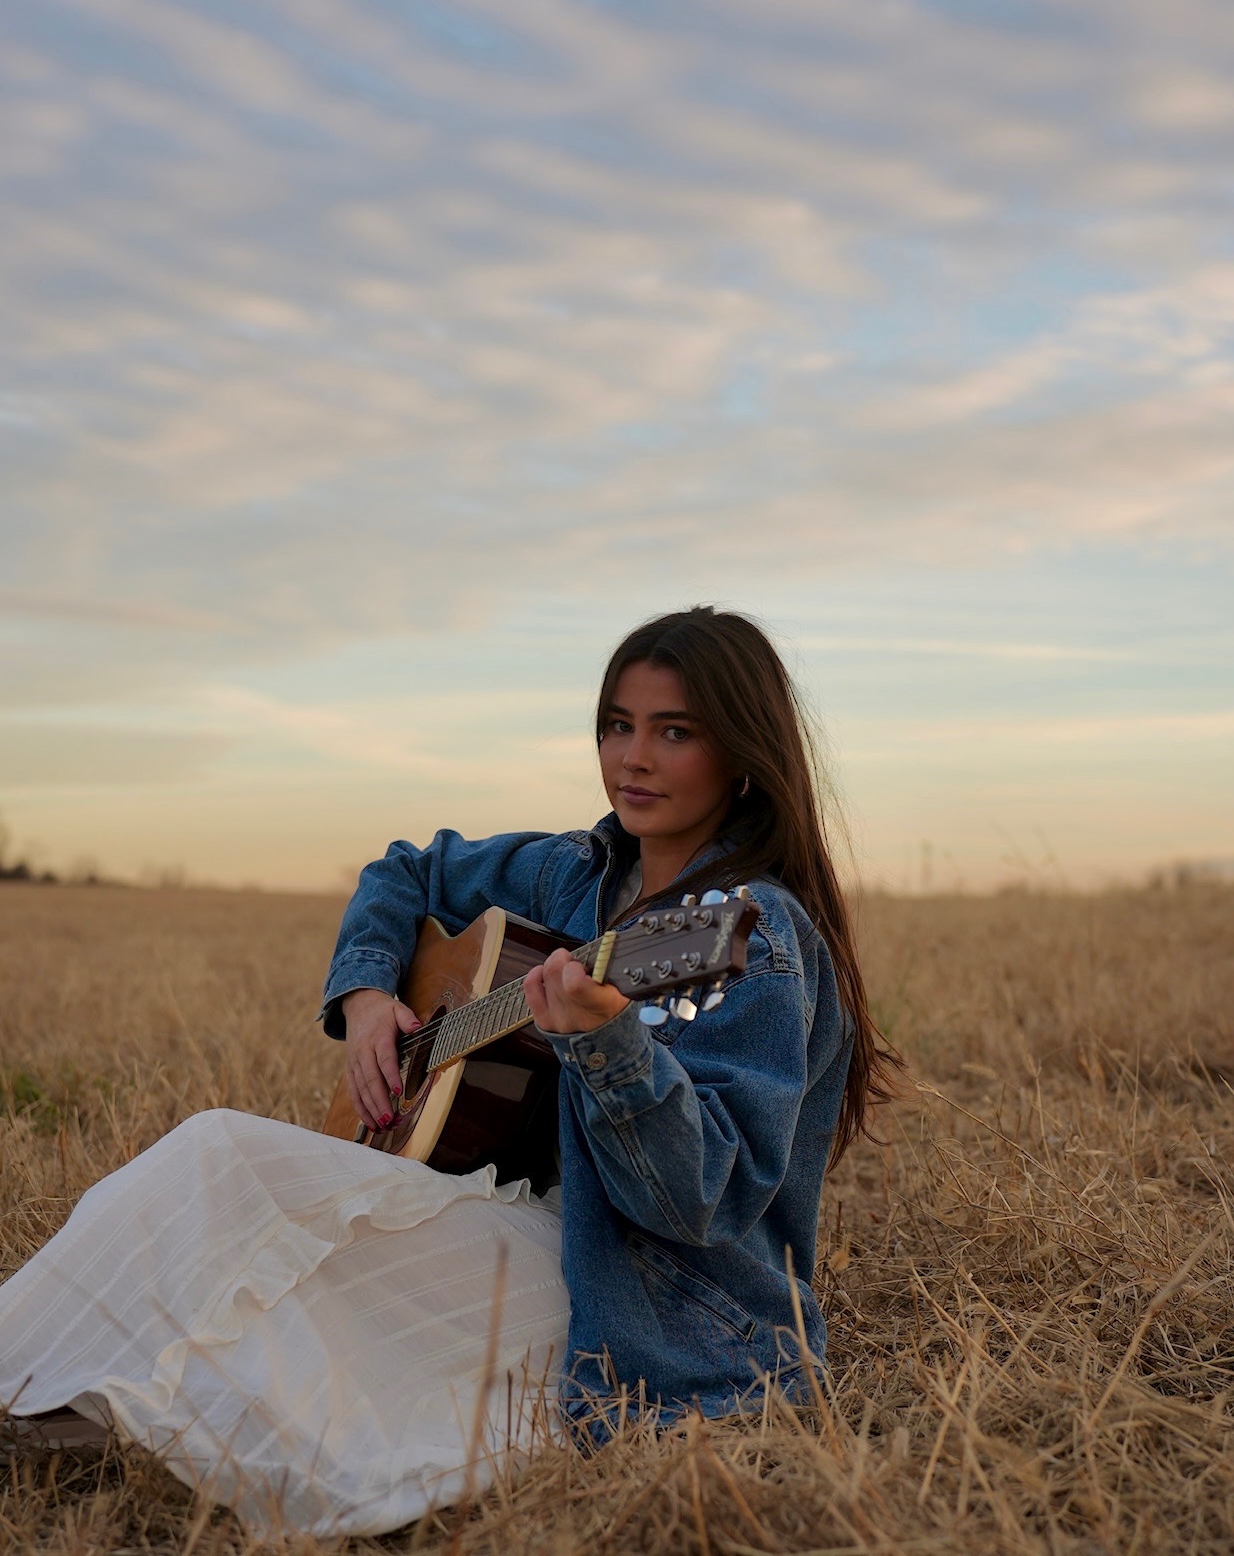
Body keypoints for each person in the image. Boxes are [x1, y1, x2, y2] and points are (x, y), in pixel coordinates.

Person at [0, 607, 897, 1537]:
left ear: (742, 752)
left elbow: (701, 1203)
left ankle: (89, 1394)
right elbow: (406, 872)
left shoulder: (750, 935)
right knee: (221, 1159)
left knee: (281, 1260)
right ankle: (31, 1382)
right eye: (617, 725)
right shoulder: (578, 875)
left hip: (663, 1312)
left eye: (675, 733)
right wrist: (365, 1000)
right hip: (539, 1235)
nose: (634, 758)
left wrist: (608, 1044)